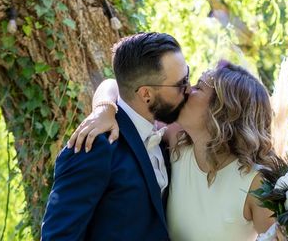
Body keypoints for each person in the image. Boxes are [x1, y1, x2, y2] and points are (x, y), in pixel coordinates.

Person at [69, 60, 280, 241]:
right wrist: (104, 108)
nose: (187, 89)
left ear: (224, 111)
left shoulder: (256, 183)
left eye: (199, 87)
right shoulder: (179, 140)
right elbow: (115, 85)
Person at [40, 32, 190, 241]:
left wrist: (104, 106)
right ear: (146, 94)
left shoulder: (167, 134)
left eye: (188, 75)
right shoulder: (95, 146)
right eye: (181, 83)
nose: (189, 89)